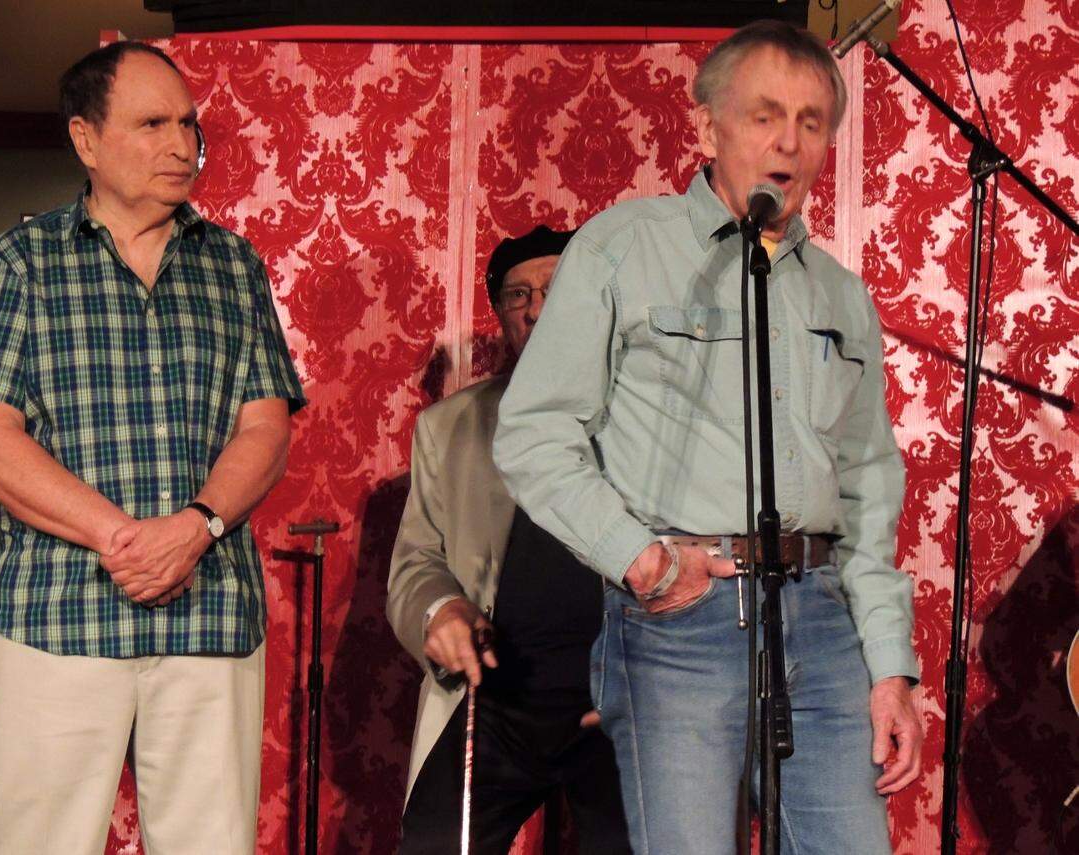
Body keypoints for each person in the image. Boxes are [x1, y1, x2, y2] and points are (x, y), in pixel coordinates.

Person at [492, 21, 923, 855]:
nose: (787, 142)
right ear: (706, 127)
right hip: (679, 626)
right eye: (764, 115)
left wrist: (890, 666)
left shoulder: (839, 293)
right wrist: (642, 560)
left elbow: (870, 483)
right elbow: (534, 434)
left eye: (809, 121)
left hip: (824, 622)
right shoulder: (625, 246)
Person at [0, 42, 305, 855]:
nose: (182, 145)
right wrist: (122, 537)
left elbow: (266, 427)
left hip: (206, 614)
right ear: (86, 140)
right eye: (151, 124)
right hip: (54, 617)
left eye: (187, 123)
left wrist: (197, 525)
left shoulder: (233, 266)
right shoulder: (22, 261)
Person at [387, 226, 631, 855]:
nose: (535, 306)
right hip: (495, 697)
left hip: (617, 694)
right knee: (434, 841)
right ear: (501, 314)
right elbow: (417, 560)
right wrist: (441, 609)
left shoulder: (646, 417)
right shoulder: (449, 427)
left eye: (555, 288)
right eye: (517, 294)